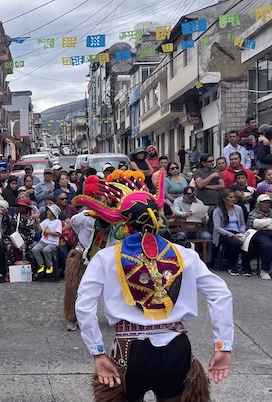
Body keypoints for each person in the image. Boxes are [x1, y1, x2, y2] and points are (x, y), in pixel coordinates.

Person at [74, 170, 233, 402]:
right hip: (177, 348)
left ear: (124, 221)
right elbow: (220, 294)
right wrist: (223, 345)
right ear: (158, 217)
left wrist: (97, 351)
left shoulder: (106, 258)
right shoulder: (186, 255)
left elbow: (84, 305)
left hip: (130, 350)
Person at [63, 182, 118, 331]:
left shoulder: (114, 220)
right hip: (83, 255)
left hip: (105, 257)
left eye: (106, 202)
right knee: (74, 286)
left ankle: (116, 316)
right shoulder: (84, 216)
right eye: (100, 201)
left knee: (113, 288)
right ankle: (72, 316)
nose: (103, 204)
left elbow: (117, 238)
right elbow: (74, 224)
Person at [247, 194, 272, 282]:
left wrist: (263, 223)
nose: (266, 205)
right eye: (264, 203)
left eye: (268, 203)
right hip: (259, 233)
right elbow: (254, 224)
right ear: (258, 203)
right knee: (267, 246)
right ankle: (265, 270)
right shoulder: (253, 213)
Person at [213, 190, 249, 276]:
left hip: (238, 231)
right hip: (224, 233)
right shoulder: (218, 211)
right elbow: (217, 228)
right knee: (234, 243)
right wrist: (232, 235)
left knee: (249, 242)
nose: (233, 199)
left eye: (234, 197)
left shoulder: (238, 209)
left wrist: (243, 231)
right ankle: (232, 266)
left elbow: (242, 223)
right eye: (230, 197)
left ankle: (246, 268)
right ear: (224, 199)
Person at [32, 204, 62, 275]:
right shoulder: (46, 221)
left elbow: (58, 233)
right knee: (35, 249)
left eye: (49, 211)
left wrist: (49, 232)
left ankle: (49, 265)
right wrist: (38, 223)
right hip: (43, 241)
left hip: (53, 242)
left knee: (46, 250)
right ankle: (41, 264)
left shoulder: (57, 222)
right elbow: (40, 230)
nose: (47, 212)